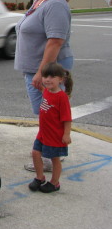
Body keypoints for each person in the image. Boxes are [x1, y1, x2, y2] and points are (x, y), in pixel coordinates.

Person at [14, 0, 73, 172]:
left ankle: (49, 158)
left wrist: (41, 73)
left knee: (49, 117)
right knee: (46, 115)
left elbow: (55, 41)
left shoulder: (55, 4)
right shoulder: (41, 1)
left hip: (45, 73)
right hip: (34, 70)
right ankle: (53, 152)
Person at [28, 62, 73, 193]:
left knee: (55, 159)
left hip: (55, 135)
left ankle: (54, 183)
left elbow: (67, 118)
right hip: (43, 133)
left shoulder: (62, 98)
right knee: (35, 153)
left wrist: (66, 134)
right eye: (45, 76)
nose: (47, 79)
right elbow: (43, 89)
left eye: (52, 77)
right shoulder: (47, 91)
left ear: (61, 79)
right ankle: (40, 177)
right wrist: (38, 85)